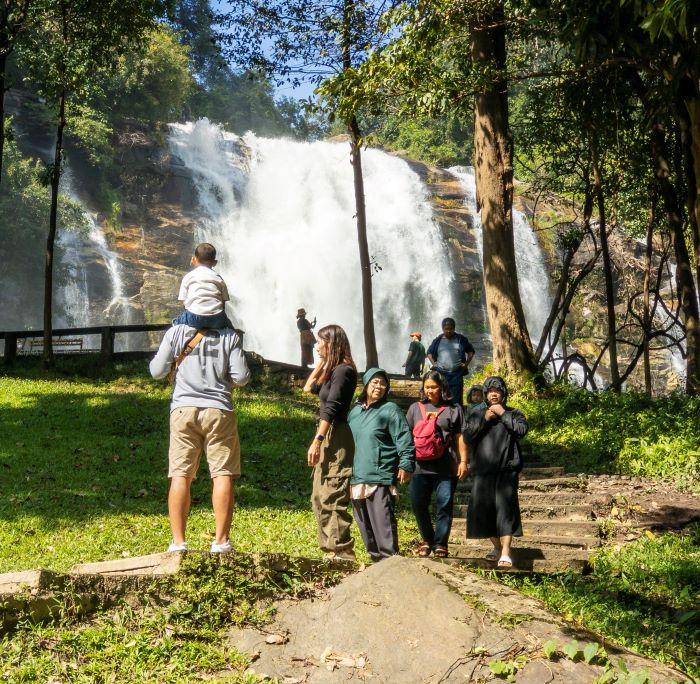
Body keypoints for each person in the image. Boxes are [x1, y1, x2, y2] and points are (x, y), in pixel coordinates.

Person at [149, 323, 250, 553]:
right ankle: (221, 542)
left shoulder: (176, 332)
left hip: (183, 409)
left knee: (180, 474)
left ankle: (178, 543)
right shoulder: (228, 335)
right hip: (219, 409)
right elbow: (242, 377)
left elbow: (156, 371)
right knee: (223, 473)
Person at [348, 368, 415, 562]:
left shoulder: (390, 410)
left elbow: (403, 437)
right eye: (375, 382)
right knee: (365, 529)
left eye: (383, 383)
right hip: (356, 476)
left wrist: (406, 464)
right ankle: (376, 566)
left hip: (380, 475)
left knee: (383, 527)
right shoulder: (355, 412)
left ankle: (392, 565)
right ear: (366, 384)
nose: (379, 386)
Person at [303, 324, 358, 561]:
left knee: (333, 489)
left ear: (332, 342)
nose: (316, 345)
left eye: (320, 341)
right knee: (319, 493)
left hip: (335, 433)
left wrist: (318, 439)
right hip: (327, 433)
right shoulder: (333, 370)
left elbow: (332, 407)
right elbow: (308, 388)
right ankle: (331, 547)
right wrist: (323, 364)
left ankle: (343, 549)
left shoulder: (344, 371)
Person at [464, 376, 528, 569]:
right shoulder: (477, 414)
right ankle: (498, 547)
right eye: (490, 390)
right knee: (482, 513)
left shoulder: (514, 413)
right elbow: (467, 436)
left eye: (497, 390)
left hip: (506, 472)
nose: (494, 393)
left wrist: (502, 414)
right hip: (482, 473)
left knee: (505, 512)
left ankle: (506, 552)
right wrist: (485, 419)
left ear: (503, 393)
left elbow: (521, 430)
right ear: (485, 394)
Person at [406, 370, 469, 558]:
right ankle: (427, 539)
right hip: (419, 467)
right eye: (426, 387)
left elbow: (460, 436)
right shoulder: (414, 409)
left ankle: (441, 543)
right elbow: (407, 436)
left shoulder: (454, 409)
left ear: (442, 388)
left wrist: (464, 461)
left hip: (446, 466)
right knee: (418, 504)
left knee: (445, 504)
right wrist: (404, 463)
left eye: (433, 387)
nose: (430, 391)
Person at [173, 242, 233, 329]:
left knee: (175, 322)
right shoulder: (219, 278)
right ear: (215, 263)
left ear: (194, 260)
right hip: (216, 318)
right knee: (229, 326)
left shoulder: (188, 276)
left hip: (194, 317)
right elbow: (223, 302)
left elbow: (183, 301)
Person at [427, 317, 475, 406]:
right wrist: (434, 364)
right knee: (441, 397)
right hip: (441, 374)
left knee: (456, 401)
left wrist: (466, 364)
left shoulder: (461, 339)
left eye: (451, 329)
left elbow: (471, 352)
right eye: (446, 329)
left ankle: (457, 417)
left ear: (454, 328)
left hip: (456, 374)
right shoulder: (437, 340)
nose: (449, 331)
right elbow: (429, 353)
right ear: (443, 329)